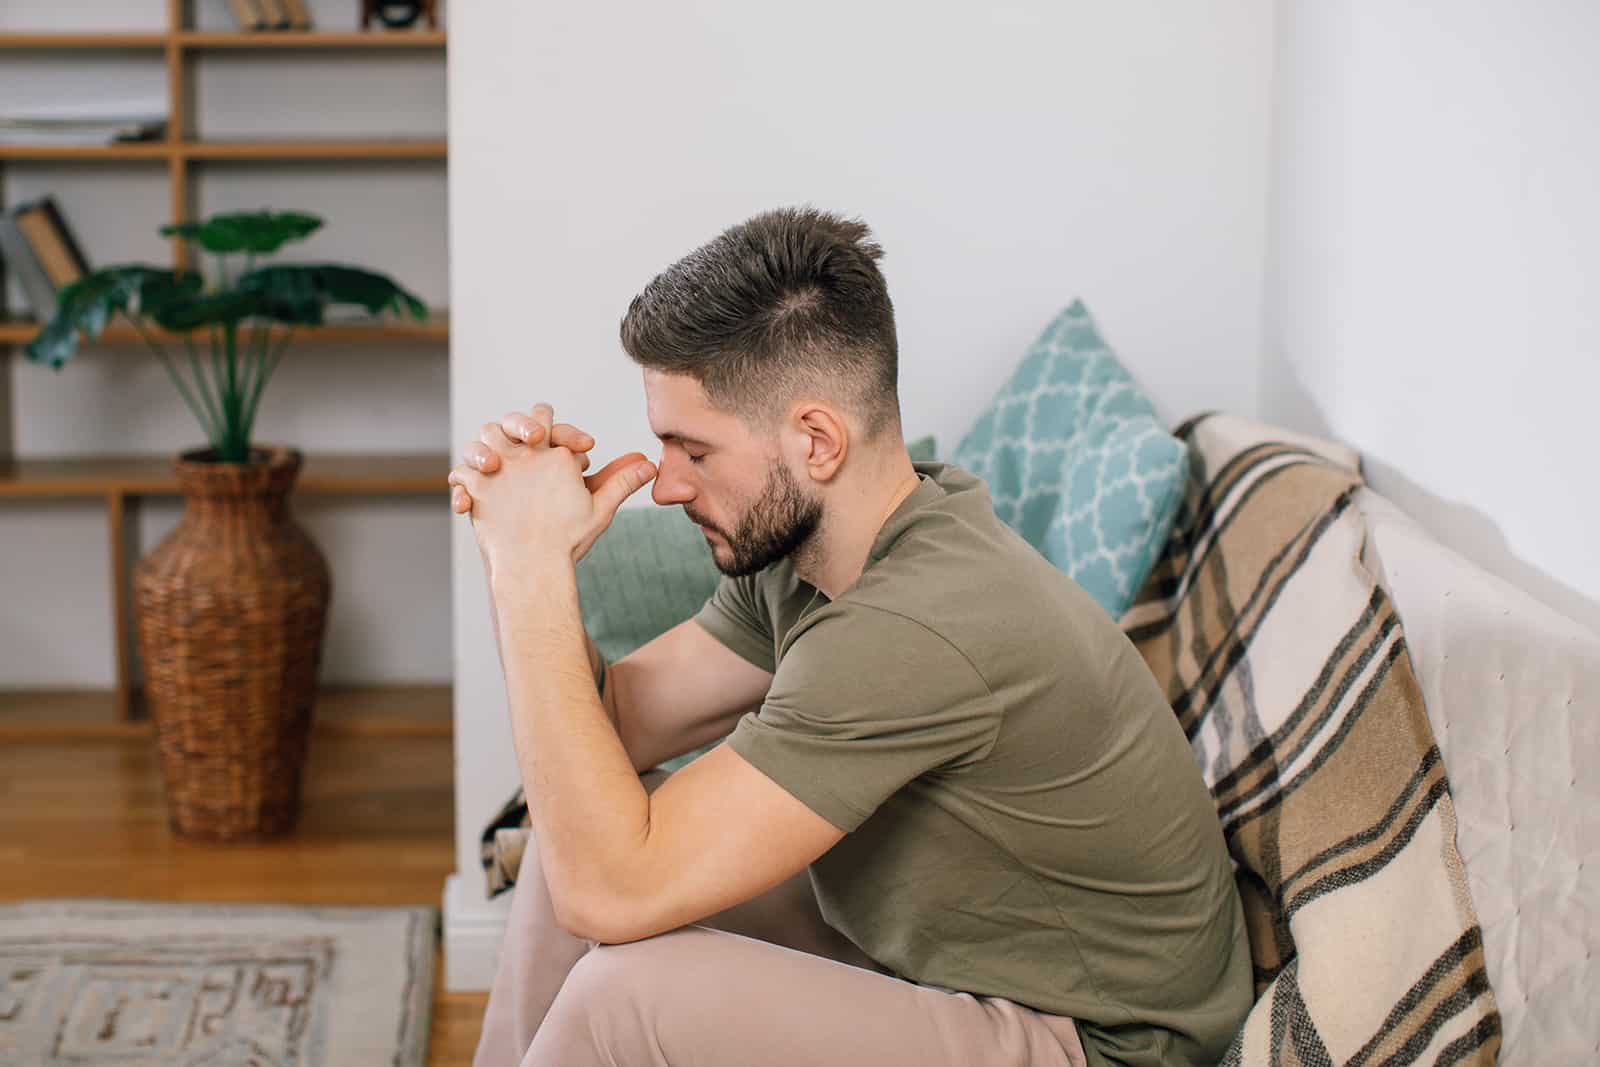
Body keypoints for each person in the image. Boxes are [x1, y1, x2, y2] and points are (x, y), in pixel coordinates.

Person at [446, 206, 1253, 1067]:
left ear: (817, 440)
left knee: (620, 988)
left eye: (694, 450)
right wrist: (527, 560)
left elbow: (610, 887)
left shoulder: (907, 627)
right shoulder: (826, 551)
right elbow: (611, 729)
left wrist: (526, 568)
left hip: (1094, 1040)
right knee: (583, 815)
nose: (666, 485)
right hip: (940, 957)